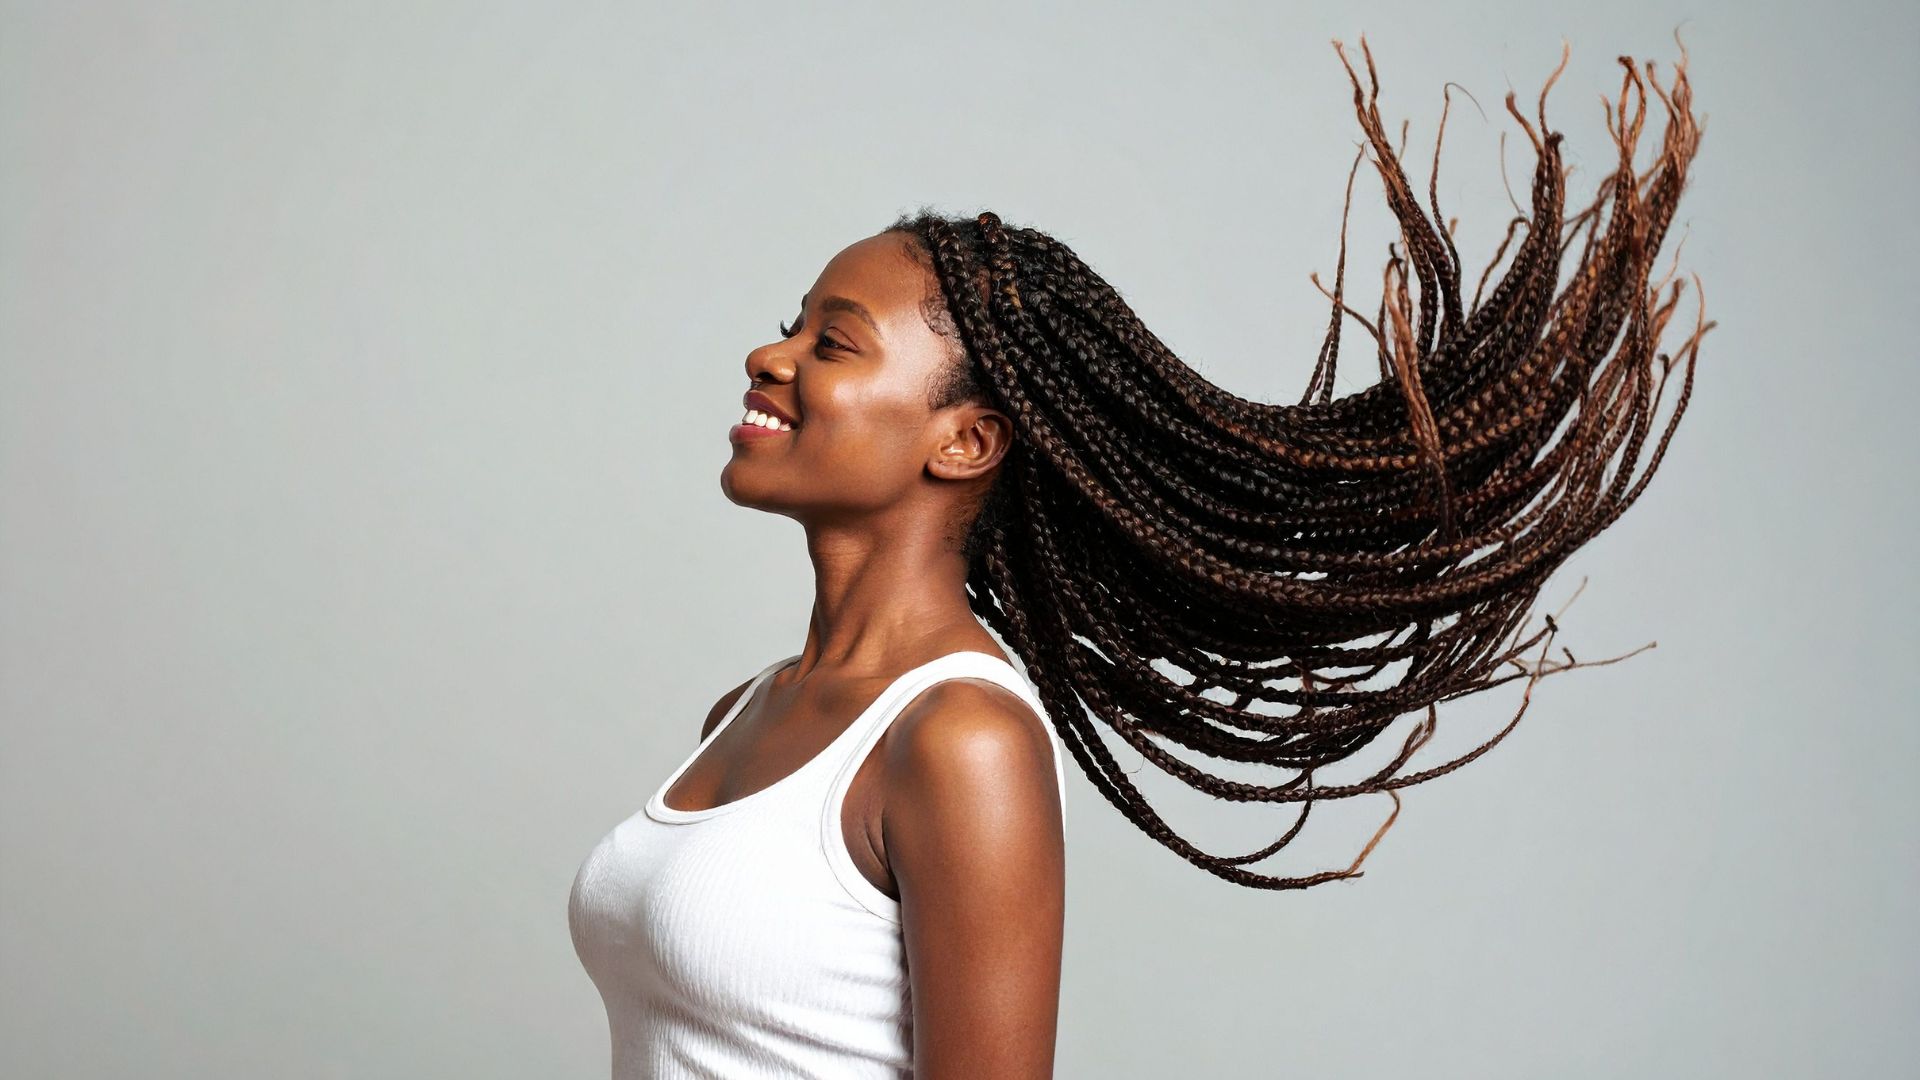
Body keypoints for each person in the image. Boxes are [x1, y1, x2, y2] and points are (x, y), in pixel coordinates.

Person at [569, 34, 1711, 1080]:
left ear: (966, 441)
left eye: (832, 343)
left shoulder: (960, 743)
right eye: (791, 321)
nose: (769, 355)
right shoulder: (745, 710)